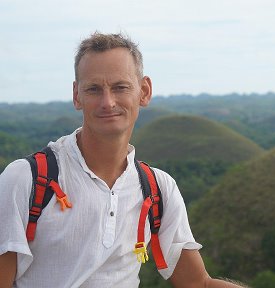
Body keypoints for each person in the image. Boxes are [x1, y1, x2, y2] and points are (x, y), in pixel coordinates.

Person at [0, 32, 247, 288]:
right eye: (94, 89)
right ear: (77, 95)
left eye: (120, 87)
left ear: (144, 91)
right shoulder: (26, 181)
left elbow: (198, 284)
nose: (108, 102)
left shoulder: (157, 189)